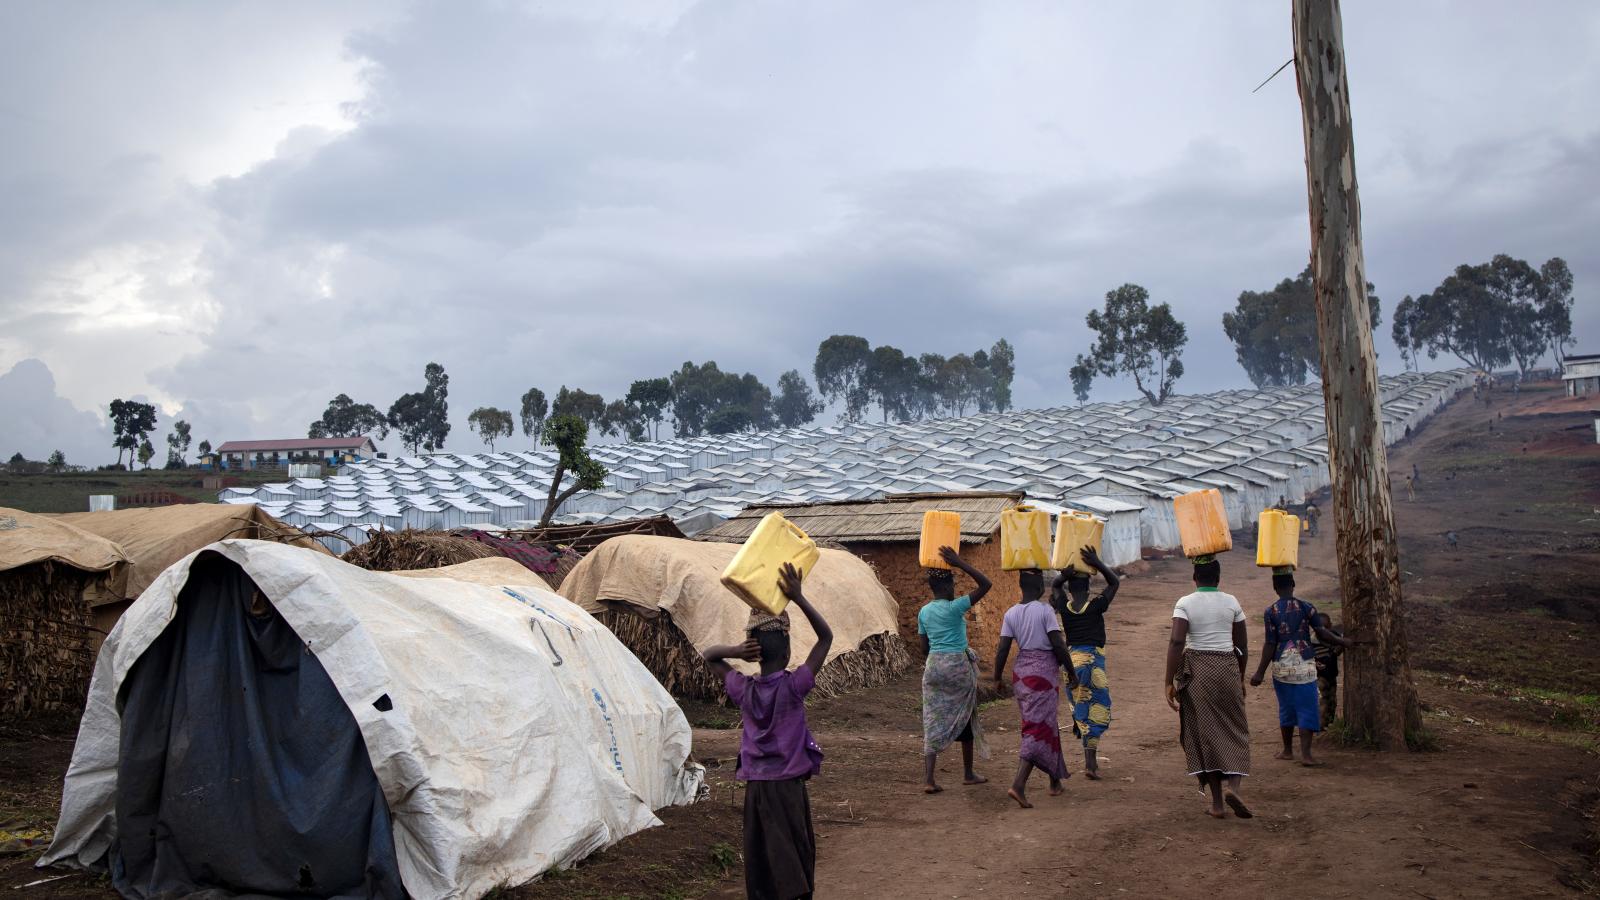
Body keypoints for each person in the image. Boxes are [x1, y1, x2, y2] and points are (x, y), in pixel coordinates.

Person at [702, 563, 832, 900]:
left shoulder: (743, 689)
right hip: (788, 788)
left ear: (753, 653)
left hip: (757, 789)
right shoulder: (794, 687)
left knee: (763, 861)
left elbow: (710, 656)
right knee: (794, 856)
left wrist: (734, 651)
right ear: (787, 652)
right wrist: (799, 598)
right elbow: (826, 637)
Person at [1164, 558, 1252, 820]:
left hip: (1198, 672)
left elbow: (1177, 640)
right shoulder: (1232, 602)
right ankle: (1234, 788)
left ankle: (1217, 804)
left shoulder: (1185, 603)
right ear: (1219, 578)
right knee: (1236, 727)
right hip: (1227, 667)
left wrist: (1168, 681)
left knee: (1205, 733)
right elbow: (1242, 647)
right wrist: (1240, 677)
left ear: (1194, 578)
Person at [992, 568, 1078, 809]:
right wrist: (1071, 672)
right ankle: (1018, 784)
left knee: (1044, 723)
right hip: (1043, 674)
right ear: (1040, 586)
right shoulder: (1045, 611)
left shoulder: (1011, 613)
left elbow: (1002, 649)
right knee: (1037, 728)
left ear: (1021, 586)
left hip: (1022, 673)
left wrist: (997, 677)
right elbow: (1058, 644)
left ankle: (1055, 782)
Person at [1249, 571, 1351, 767]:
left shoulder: (1271, 612)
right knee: (1307, 707)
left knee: (1286, 707)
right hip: (1304, 663)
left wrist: (1260, 672)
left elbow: (1270, 644)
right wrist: (1343, 641)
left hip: (1281, 665)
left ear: (1275, 588)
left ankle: (1287, 750)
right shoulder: (1306, 607)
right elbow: (1322, 633)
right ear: (1293, 584)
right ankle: (1306, 754)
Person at [917, 545, 992, 793]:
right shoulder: (956, 607)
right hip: (958, 666)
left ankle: (929, 779)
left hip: (934, 667)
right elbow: (985, 584)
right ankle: (968, 773)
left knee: (932, 717)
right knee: (966, 715)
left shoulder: (924, 612)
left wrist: (938, 659)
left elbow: (923, 647)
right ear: (948, 587)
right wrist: (959, 563)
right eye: (953, 586)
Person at [1051, 545, 1120, 779]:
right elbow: (1114, 583)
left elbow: (1055, 586)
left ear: (1070, 589)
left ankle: (1090, 760)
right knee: (1097, 711)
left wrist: (1063, 576)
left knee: (1081, 709)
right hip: (1092, 664)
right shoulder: (1095, 606)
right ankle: (1090, 765)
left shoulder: (1064, 607)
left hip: (1071, 664)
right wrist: (1097, 562)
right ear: (1089, 588)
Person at [1310, 612, 1345, 728]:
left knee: (1332, 700)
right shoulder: (1312, 640)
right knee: (1323, 701)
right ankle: (1321, 725)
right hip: (1319, 676)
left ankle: (1329, 723)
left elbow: (1338, 649)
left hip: (1331, 674)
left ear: (1330, 626)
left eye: (1326, 627)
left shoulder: (1333, 637)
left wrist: (1340, 645)